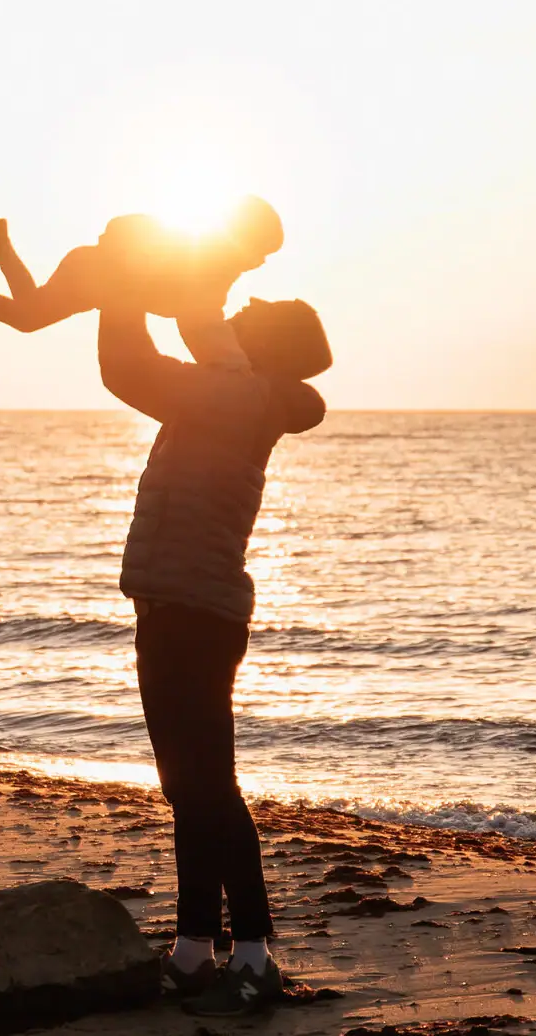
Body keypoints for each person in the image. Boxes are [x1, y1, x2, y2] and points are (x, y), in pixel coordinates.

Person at [96, 292, 331, 1016]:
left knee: (209, 790)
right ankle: (195, 950)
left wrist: (126, 284)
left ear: (260, 346)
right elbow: (158, 351)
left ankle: (255, 955)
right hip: (170, 609)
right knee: (186, 791)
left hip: (194, 617)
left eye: (250, 314)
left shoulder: (240, 398)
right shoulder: (218, 396)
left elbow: (144, 354)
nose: (237, 313)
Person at [0, 196, 283, 364]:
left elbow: (201, 321)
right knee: (30, 316)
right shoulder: (208, 259)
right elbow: (198, 326)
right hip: (92, 273)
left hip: (91, 272)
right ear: (246, 240)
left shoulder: (214, 267)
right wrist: (230, 369)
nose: (261, 262)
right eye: (262, 252)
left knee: (30, 314)